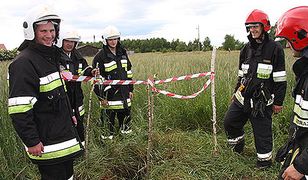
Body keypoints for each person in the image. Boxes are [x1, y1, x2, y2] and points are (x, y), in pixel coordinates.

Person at [8, 5, 83, 179]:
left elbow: (56, 94)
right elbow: (19, 108)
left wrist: (68, 114)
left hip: (62, 133)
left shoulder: (50, 57)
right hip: (48, 142)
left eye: (52, 30)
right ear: (32, 32)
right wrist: (31, 140)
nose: (49, 35)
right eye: (43, 31)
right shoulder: (24, 63)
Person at [223, 9, 287, 168]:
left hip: (261, 101)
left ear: (264, 27)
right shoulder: (245, 49)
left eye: (255, 26)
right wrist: (236, 91)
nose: (252, 30)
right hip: (242, 97)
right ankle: (237, 148)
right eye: (250, 27)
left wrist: (278, 102)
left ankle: (264, 163)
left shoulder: (275, 49)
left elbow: (280, 79)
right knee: (230, 122)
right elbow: (241, 75)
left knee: (262, 134)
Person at [275, 6, 308, 180]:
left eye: (288, 39)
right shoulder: (304, 71)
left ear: (302, 37)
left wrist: (301, 166)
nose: (287, 45)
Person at [93, 25, 133, 140]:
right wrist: (101, 97)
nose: (113, 42)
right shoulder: (100, 56)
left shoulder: (123, 53)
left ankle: (127, 143)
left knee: (126, 125)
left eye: (115, 39)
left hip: (124, 94)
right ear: (105, 40)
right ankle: (107, 146)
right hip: (108, 97)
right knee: (107, 125)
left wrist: (131, 89)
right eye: (110, 39)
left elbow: (129, 72)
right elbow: (97, 79)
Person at [57, 30, 97, 146]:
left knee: (79, 122)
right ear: (61, 41)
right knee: (65, 123)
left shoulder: (78, 57)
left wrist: (92, 72)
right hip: (63, 97)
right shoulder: (55, 57)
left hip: (77, 96)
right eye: (67, 41)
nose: (70, 44)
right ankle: (69, 148)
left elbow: (85, 70)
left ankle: (82, 146)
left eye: (73, 42)